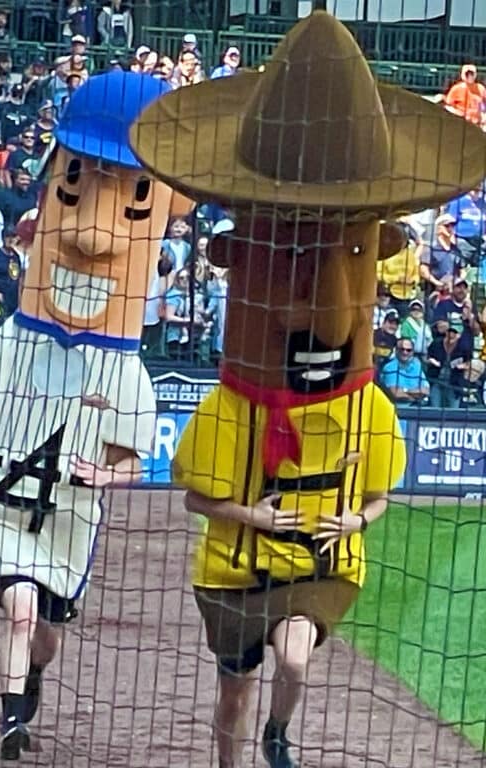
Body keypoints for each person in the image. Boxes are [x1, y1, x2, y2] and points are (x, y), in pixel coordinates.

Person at [130, 10, 486, 768]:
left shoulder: (370, 409)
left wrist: (357, 521)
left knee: (294, 659)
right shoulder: (229, 408)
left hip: (320, 566)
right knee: (232, 690)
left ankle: (279, 734)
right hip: (233, 570)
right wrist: (250, 512)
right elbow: (193, 497)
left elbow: (382, 490)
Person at [0, 71, 189, 761]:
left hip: (67, 518)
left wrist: (104, 473)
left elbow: (131, 461)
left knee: (44, 627)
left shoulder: (125, 370)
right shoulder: (12, 344)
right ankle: (10, 724)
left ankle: (32, 679)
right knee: (20, 609)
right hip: (5, 503)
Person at [426, 319, 470, 408]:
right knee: (435, 410)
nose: (451, 334)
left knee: (454, 412)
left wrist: (464, 366)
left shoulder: (463, 347)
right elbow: (426, 357)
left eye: (454, 332)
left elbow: (469, 361)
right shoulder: (436, 344)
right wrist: (431, 361)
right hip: (436, 381)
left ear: (459, 335)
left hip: (454, 384)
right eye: (450, 331)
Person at [380, 338, 430, 404]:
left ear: (413, 352)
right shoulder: (389, 367)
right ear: (396, 350)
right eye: (402, 349)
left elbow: (425, 391)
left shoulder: (417, 366)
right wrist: (415, 397)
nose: (405, 352)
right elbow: (395, 394)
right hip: (395, 408)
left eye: (408, 350)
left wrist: (404, 390)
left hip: (417, 408)